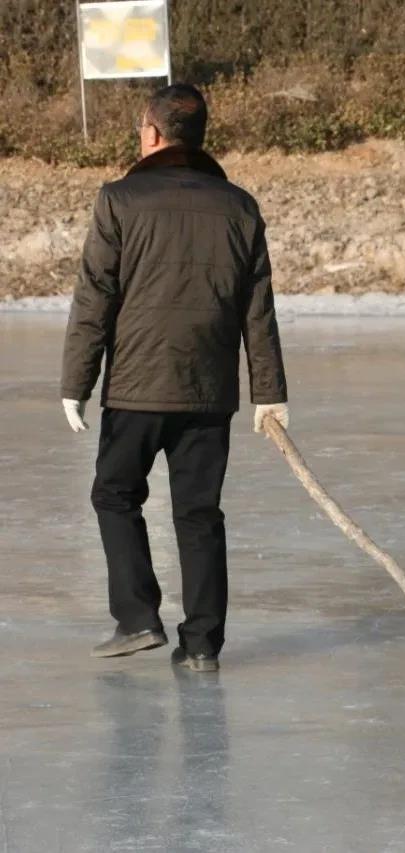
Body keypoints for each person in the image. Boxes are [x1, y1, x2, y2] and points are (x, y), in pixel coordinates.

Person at [61, 83, 289, 672]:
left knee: (114, 495)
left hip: (137, 388)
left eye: (141, 127)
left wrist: (74, 383)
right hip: (209, 394)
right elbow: (257, 310)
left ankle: (138, 618)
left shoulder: (119, 199)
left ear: (154, 133)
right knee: (199, 514)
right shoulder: (240, 207)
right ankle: (202, 645)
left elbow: (95, 300)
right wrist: (270, 394)